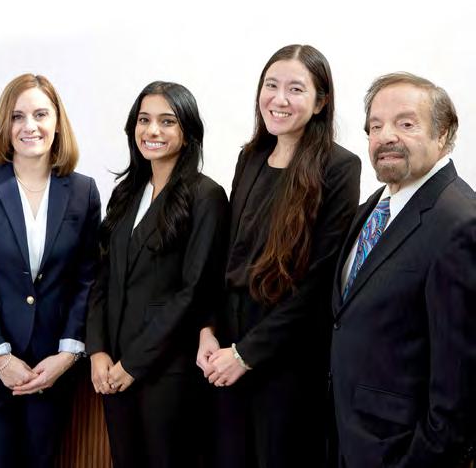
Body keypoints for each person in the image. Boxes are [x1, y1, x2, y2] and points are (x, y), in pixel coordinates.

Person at [197, 44, 361, 467]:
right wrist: (208, 330)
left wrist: (247, 354)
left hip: (286, 359)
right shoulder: (250, 158)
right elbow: (226, 257)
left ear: (320, 101)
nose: (279, 99)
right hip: (226, 351)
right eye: (271, 85)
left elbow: (318, 282)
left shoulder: (340, 167)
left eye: (296, 89)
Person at [0, 73, 101, 468]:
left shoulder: (83, 192)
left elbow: (86, 278)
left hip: (50, 367)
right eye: (17, 116)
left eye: (40, 114)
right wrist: (0, 358)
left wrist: (67, 354)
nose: (29, 126)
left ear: (57, 122)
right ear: (5, 124)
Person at [330, 72, 476, 468]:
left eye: (406, 124)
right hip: (350, 440)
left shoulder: (460, 223)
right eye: (376, 126)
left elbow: (460, 385)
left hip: (400, 453)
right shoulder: (371, 210)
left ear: (444, 134)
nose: (386, 136)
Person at [86, 81, 229, 468]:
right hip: (113, 368)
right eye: (144, 120)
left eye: (167, 121)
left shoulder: (206, 196)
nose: (153, 130)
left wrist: (133, 363)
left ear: (188, 131)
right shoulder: (126, 193)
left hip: (167, 372)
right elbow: (103, 277)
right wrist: (97, 351)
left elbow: (194, 292)